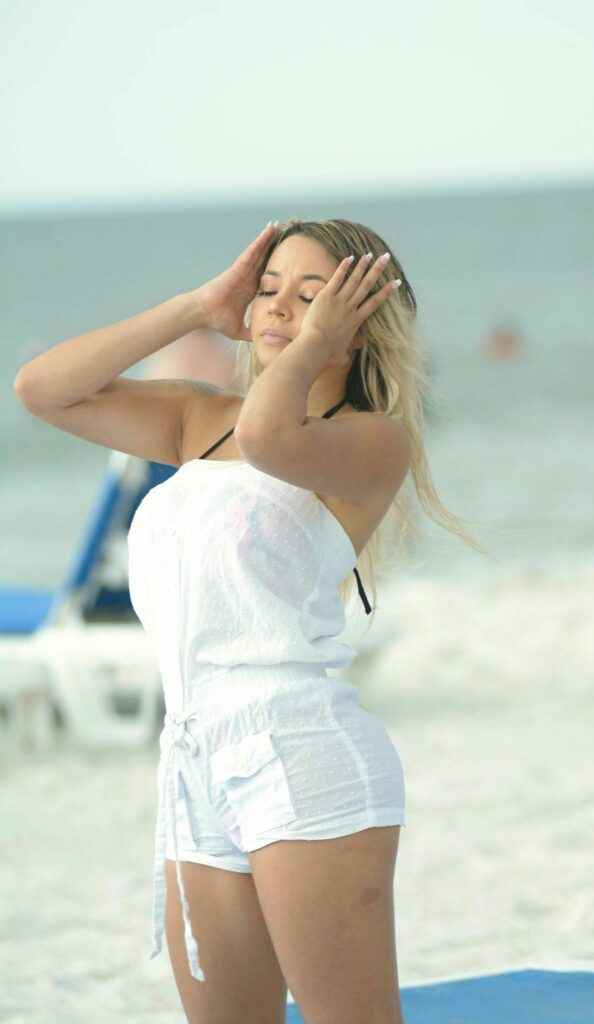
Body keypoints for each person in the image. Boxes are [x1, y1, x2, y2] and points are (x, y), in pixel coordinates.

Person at [14, 217, 484, 1024]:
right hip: (192, 759)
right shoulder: (198, 420)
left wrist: (313, 342)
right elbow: (40, 389)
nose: (278, 309)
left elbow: (269, 437)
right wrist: (198, 308)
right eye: (267, 290)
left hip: (299, 751)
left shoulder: (371, 442)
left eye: (311, 295)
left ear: (359, 321)